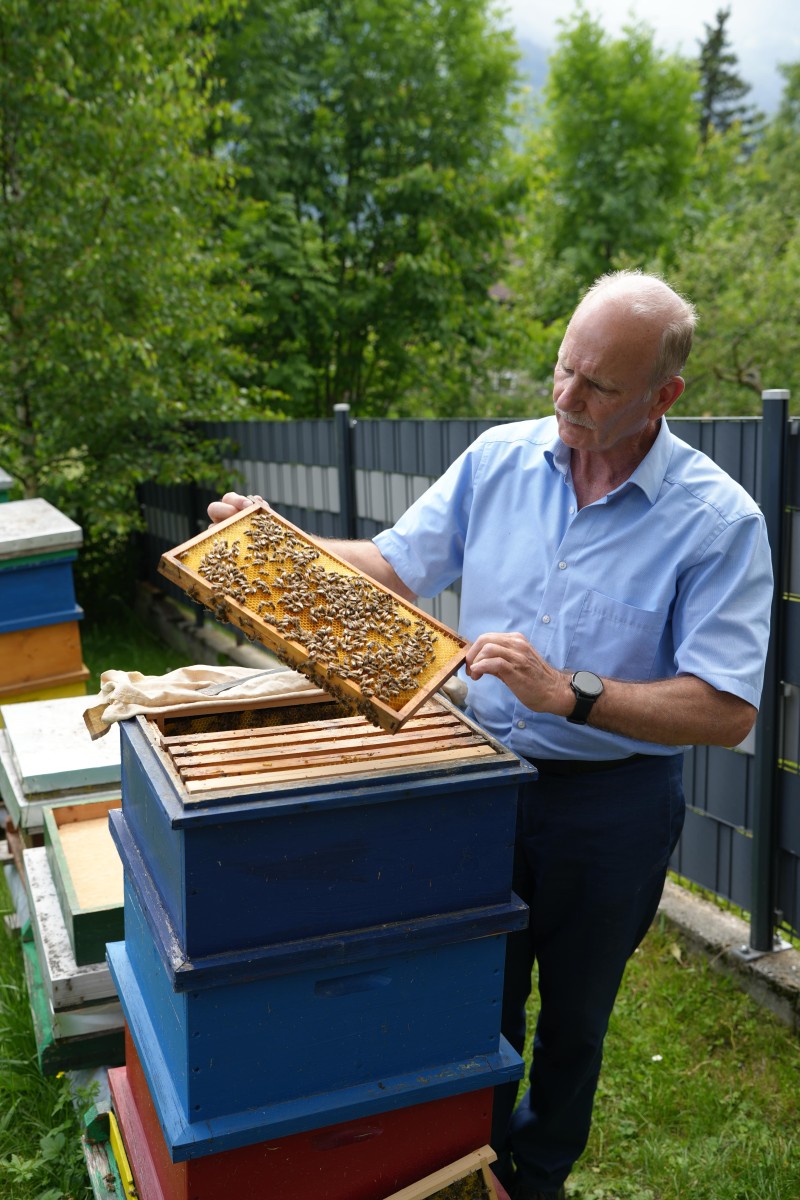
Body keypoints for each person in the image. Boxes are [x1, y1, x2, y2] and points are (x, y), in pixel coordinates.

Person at [208, 270, 773, 1200]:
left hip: (614, 809)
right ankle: (464, 1169)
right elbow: (394, 565)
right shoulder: (498, 460)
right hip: (479, 780)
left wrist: (571, 692)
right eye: (563, 369)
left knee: (575, 1023)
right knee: (472, 997)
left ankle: (536, 1178)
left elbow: (725, 708)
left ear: (663, 398)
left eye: (599, 388)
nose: (567, 398)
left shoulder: (720, 522)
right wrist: (277, 544)